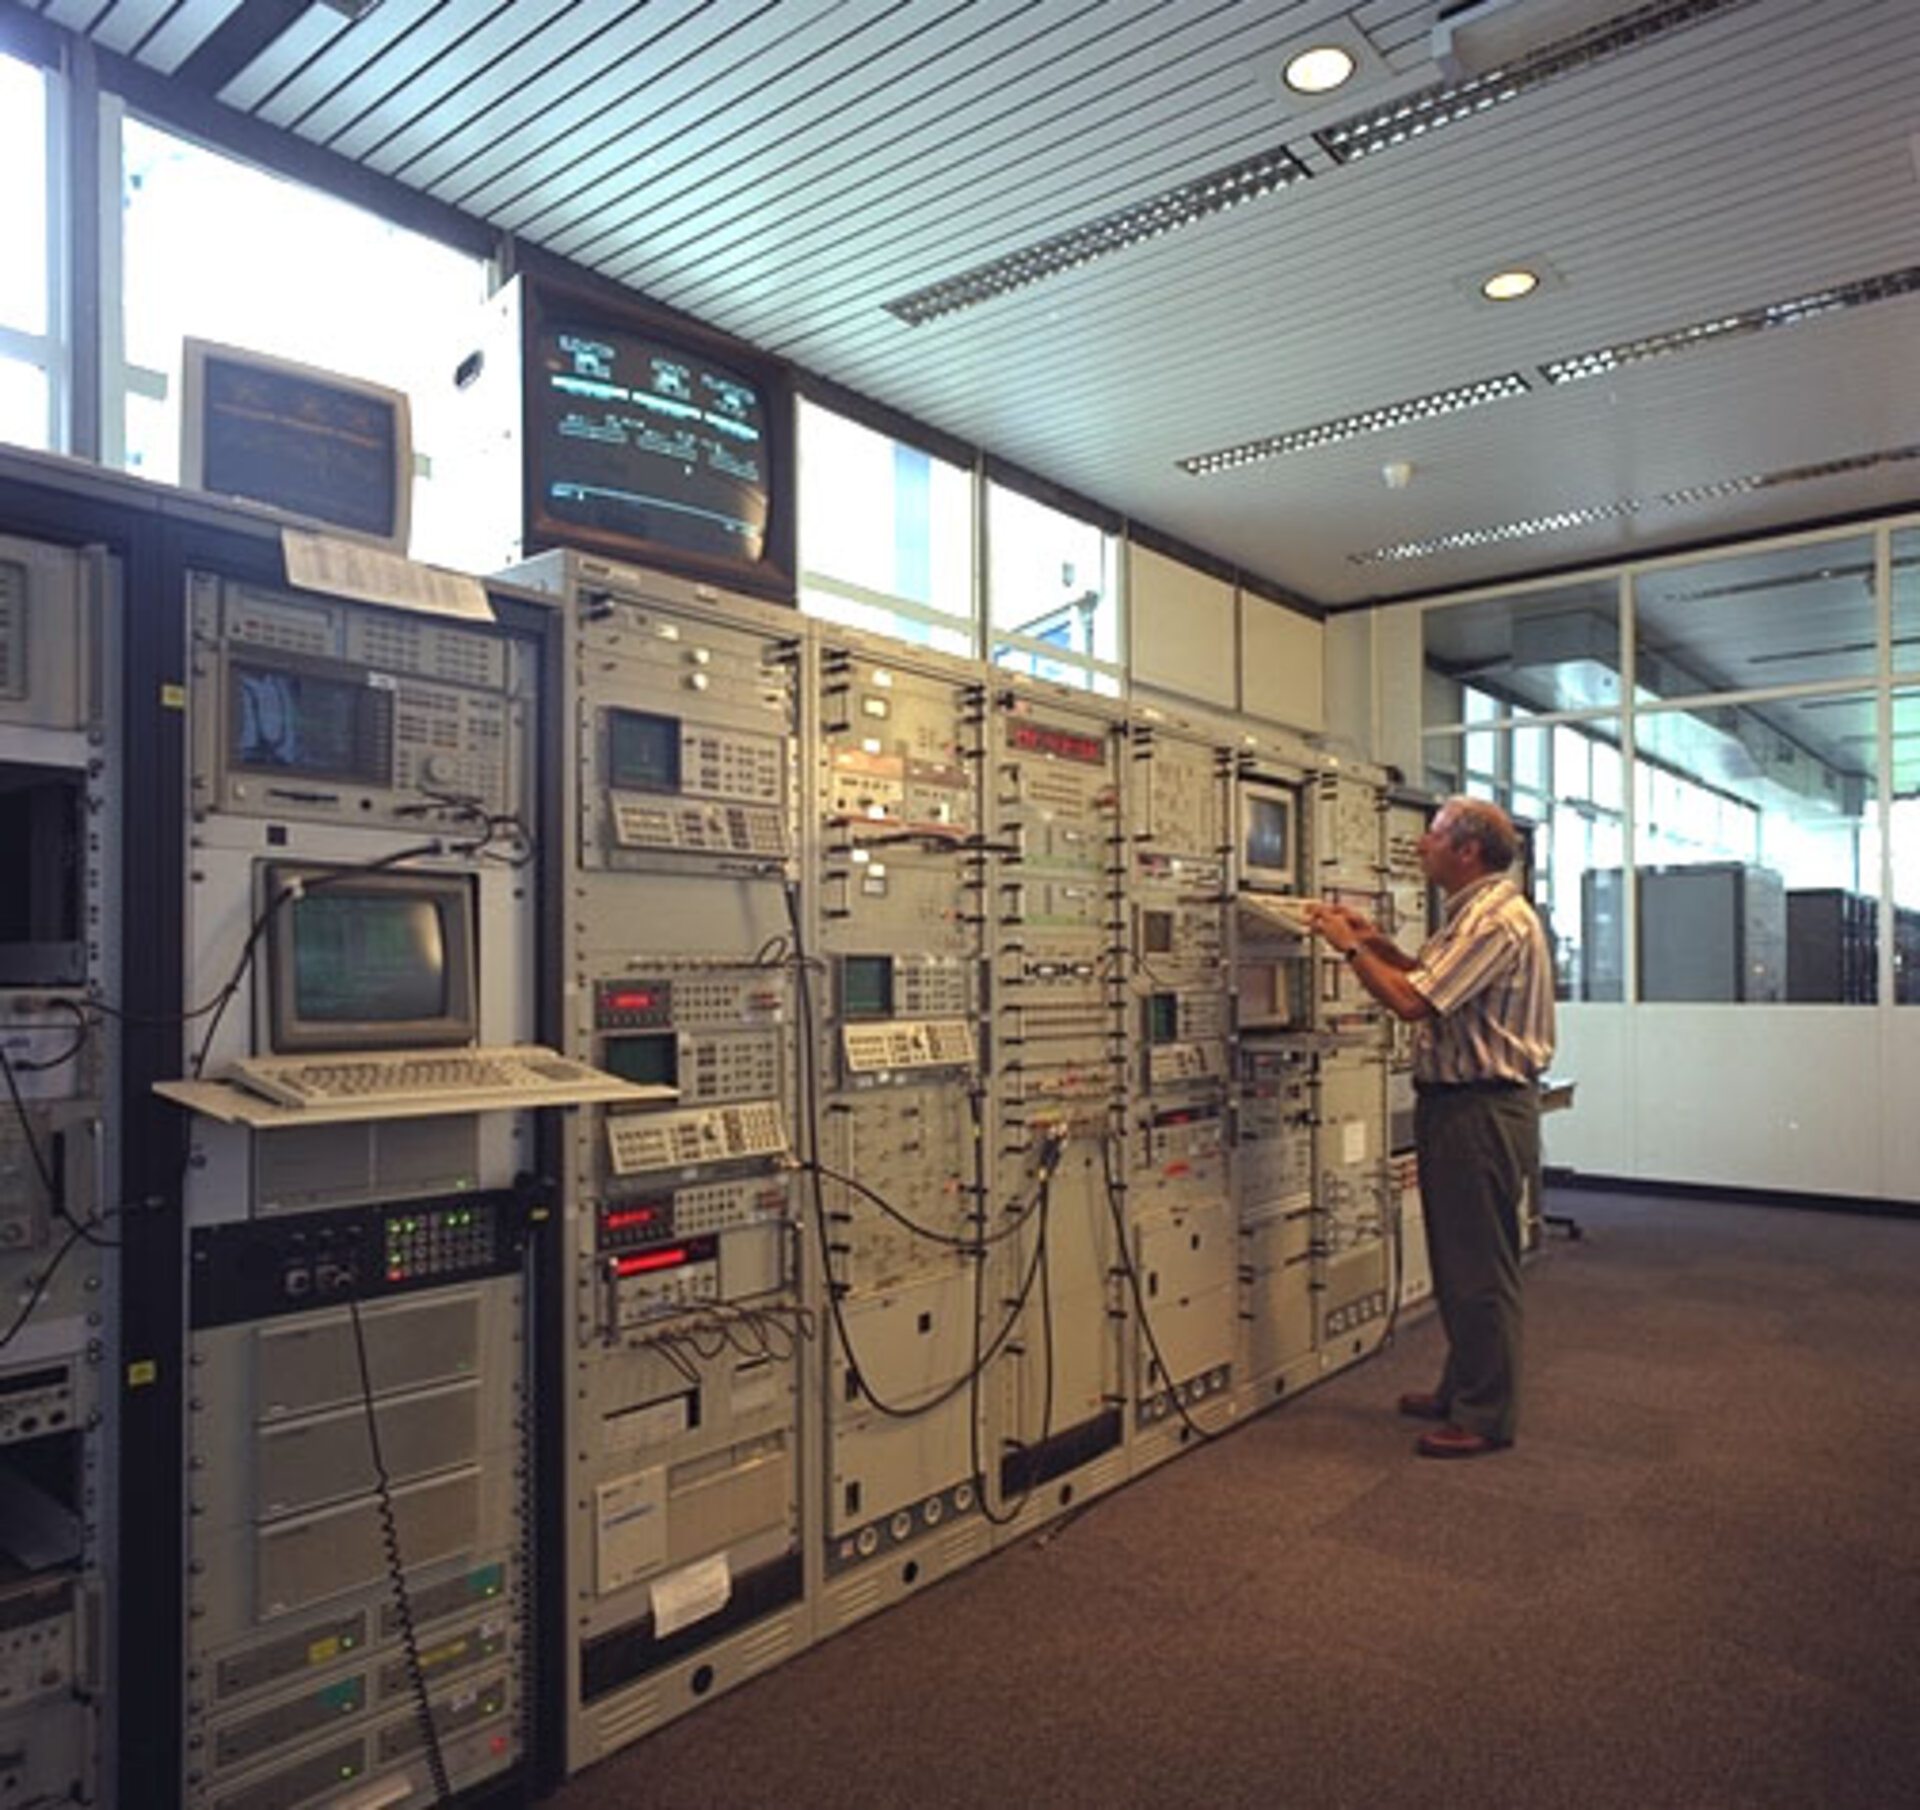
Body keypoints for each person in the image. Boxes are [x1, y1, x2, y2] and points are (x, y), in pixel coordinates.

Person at [1306, 797, 1554, 1459]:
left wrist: (1351, 949)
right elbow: (1429, 975)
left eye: (1435, 835)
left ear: (1467, 850)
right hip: (1461, 1108)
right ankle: (1463, 1386)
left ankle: (1486, 1414)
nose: (1421, 844)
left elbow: (1414, 1001)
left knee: (1480, 1266)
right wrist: (1376, 939)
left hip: (1481, 1109)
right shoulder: (1477, 912)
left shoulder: (1496, 920)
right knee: (1458, 1261)